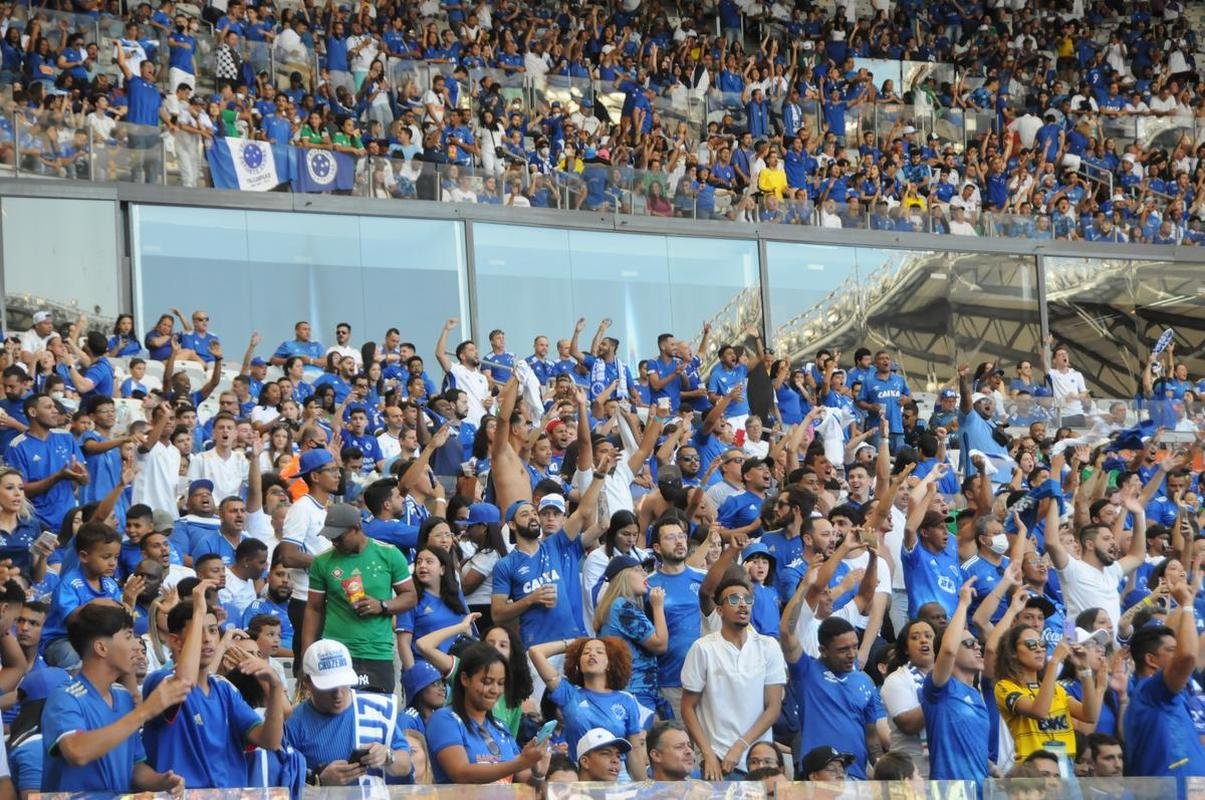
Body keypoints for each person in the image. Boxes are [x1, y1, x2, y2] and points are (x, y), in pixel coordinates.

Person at [141, 582, 285, 788]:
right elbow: (184, 682)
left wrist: (275, 687)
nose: (208, 640)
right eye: (198, 632)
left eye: (212, 630)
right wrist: (198, 610)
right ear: (175, 641)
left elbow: (270, 741)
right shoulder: (159, 682)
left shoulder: (223, 688)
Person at [40, 603, 188, 795]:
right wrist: (144, 712)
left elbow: (134, 767)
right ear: (101, 648)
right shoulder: (65, 697)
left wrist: (161, 782)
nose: (137, 645)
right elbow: (76, 751)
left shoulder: (123, 697)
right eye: (128, 637)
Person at [300, 503, 417, 693]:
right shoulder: (322, 562)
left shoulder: (389, 554)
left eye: (339, 537)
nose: (334, 542)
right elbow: (313, 608)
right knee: (338, 713)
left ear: (356, 528)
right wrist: (307, 656)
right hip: (336, 652)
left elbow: (410, 596)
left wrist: (382, 605)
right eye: (331, 538)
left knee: (375, 711)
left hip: (378, 652)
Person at [681, 576, 786, 780]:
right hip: (718, 761)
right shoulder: (703, 648)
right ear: (719, 610)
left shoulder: (769, 646)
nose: (742, 605)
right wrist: (707, 754)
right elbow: (687, 708)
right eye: (733, 599)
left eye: (747, 599)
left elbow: (773, 707)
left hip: (760, 761)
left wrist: (740, 746)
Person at [285, 638, 413, 787]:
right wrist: (318, 779)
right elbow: (283, 777)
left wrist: (387, 756)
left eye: (343, 683)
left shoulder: (378, 709)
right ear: (307, 683)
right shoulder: (294, 722)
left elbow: (406, 765)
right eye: (329, 687)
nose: (338, 694)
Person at [424, 642, 548, 784]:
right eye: (487, 681)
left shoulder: (501, 727)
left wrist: (538, 773)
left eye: (501, 683)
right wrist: (520, 762)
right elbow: (460, 773)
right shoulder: (444, 719)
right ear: (465, 679)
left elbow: (522, 781)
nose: (495, 690)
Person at [529, 636, 650, 781]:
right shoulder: (568, 694)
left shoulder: (626, 700)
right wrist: (575, 643)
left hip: (617, 778)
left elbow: (635, 750)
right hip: (581, 778)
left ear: (610, 663)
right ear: (578, 663)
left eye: (599, 652)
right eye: (585, 652)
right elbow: (535, 652)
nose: (592, 654)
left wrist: (643, 789)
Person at [1123, 581, 1205, 789]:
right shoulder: (1150, 692)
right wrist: (1186, 604)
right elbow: (1187, 656)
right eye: (1171, 651)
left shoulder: (1170, 694)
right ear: (1151, 660)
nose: (1177, 653)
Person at [921, 578, 989, 784]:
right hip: (949, 792)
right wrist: (963, 603)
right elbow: (949, 650)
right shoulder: (939, 690)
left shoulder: (977, 695)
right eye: (968, 643)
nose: (977, 647)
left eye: (977, 643)